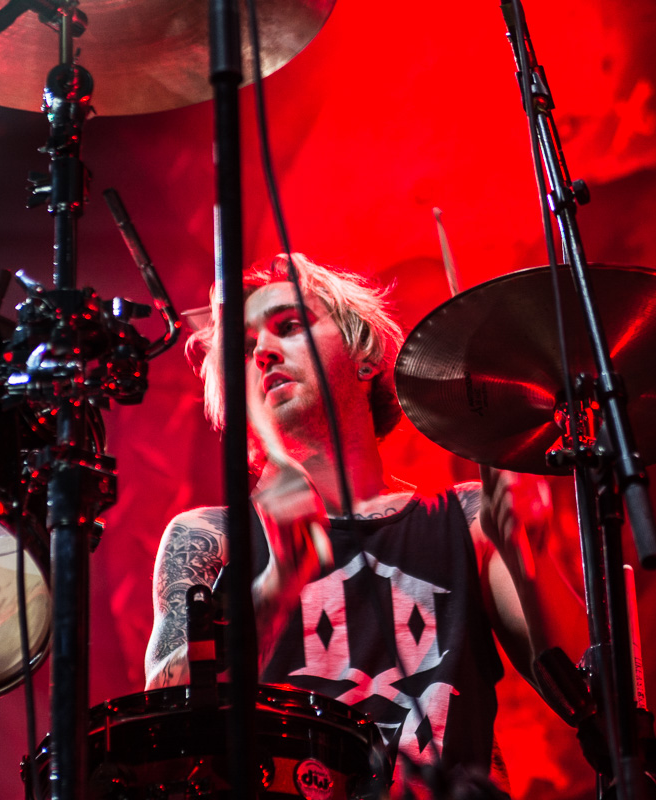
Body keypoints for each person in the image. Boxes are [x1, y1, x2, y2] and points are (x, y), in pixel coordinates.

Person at [145, 253, 587, 793]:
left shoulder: (468, 520)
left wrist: (527, 554)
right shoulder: (210, 536)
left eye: (290, 326)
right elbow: (160, 727)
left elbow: (591, 697)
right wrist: (271, 593)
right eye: (244, 347)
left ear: (365, 356)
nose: (263, 352)